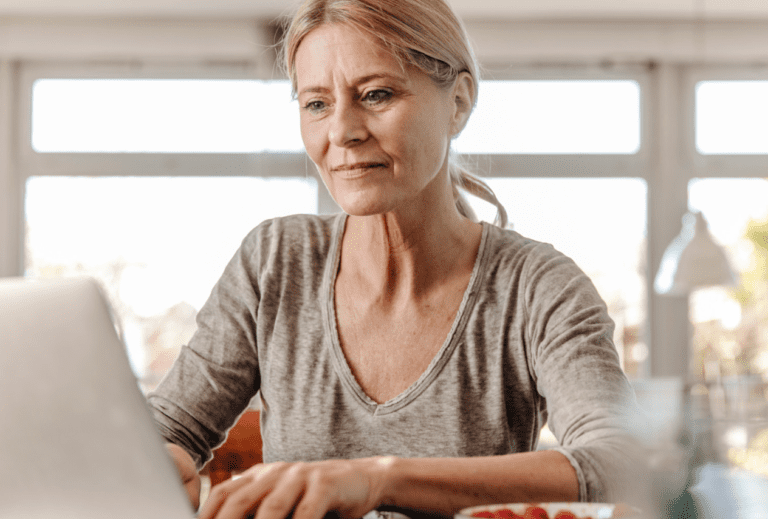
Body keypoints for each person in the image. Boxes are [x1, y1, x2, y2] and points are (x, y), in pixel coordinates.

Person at [148, 1, 642, 518]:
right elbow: (166, 432)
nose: (342, 132)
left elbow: (618, 463)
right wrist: (155, 463)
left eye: (376, 95)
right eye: (316, 104)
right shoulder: (275, 262)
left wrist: (376, 477)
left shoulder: (538, 288)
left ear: (458, 102)